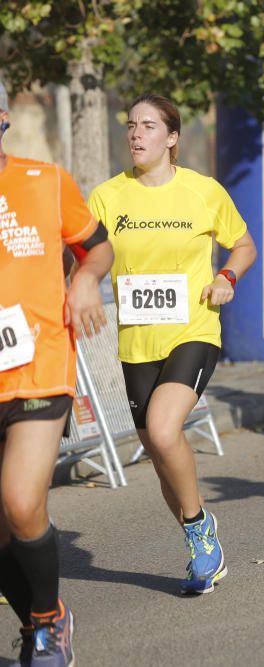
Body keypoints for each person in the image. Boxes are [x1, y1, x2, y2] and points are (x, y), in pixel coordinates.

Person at [88, 93, 257, 594]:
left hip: (194, 329)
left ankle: (202, 529)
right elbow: (85, 258)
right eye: (131, 125)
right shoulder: (107, 196)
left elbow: (243, 244)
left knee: (164, 431)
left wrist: (226, 275)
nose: (136, 134)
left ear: (172, 137)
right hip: (136, 342)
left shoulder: (202, 191)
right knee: (160, 452)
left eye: (148, 126)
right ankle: (196, 539)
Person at [0, 79, 113, 666]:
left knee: (21, 501)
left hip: (39, 364)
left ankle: (45, 626)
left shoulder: (44, 181)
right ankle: (41, 617)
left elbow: (96, 246)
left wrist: (86, 277)